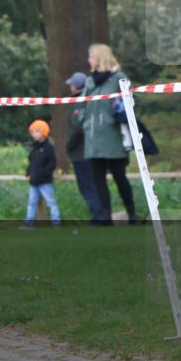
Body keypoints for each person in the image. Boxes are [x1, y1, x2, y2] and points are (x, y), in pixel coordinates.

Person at [77, 44, 138, 225]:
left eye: (91, 56)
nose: (89, 60)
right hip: (93, 139)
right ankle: (105, 217)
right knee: (98, 181)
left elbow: (133, 102)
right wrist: (84, 120)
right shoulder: (89, 81)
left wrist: (117, 116)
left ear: (99, 58)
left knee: (120, 177)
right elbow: (82, 104)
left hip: (114, 138)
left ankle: (132, 213)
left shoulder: (119, 78)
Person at [64, 72, 105, 224]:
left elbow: (78, 128)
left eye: (71, 84)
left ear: (75, 86)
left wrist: (69, 146)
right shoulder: (91, 99)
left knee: (87, 187)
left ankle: (98, 217)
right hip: (91, 151)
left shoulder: (79, 103)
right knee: (94, 185)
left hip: (82, 153)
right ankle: (101, 215)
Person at [22, 120, 61, 228]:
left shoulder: (49, 147)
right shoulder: (34, 147)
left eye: (37, 131)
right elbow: (32, 162)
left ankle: (56, 222)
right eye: (33, 132)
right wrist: (28, 172)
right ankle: (29, 223)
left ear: (43, 132)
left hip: (45, 182)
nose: (34, 134)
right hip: (34, 181)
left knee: (51, 202)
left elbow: (52, 164)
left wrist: (43, 174)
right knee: (31, 203)